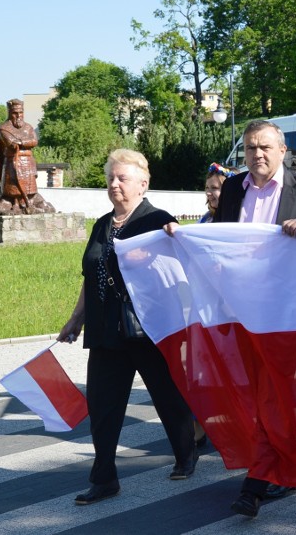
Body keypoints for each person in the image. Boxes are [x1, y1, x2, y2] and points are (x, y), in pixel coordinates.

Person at [194, 119, 296, 517]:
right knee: (260, 394)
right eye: (251, 148)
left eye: (266, 148)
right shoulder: (234, 187)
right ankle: (283, 464)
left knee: (274, 392)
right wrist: (180, 236)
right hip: (241, 309)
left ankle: (255, 482)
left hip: (286, 314)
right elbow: (218, 236)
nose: (258, 155)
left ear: (282, 151)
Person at [57, 149, 197, 506]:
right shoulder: (102, 224)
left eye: (122, 178)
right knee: (103, 407)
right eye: (110, 178)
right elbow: (91, 275)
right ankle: (104, 478)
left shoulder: (159, 220)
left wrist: (176, 236)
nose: (114, 184)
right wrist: (77, 318)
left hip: (147, 328)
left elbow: (182, 267)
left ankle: (186, 452)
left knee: (168, 396)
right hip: (105, 330)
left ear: (143, 184)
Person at [0, 99, 53, 214]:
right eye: (15, 113)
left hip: (28, 162)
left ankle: (29, 203)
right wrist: (24, 142)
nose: (18, 116)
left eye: (20, 112)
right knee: (13, 188)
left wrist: (20, 142)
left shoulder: (28, 127)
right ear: (10, 113)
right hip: (13, 162)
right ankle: (14, 203)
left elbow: (34, 141)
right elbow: (10, 143)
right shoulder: (4, 128)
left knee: (30, 188)